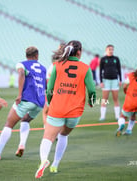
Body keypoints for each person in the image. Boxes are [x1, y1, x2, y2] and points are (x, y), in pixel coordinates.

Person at [35, 40, 96, 179]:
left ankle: (44, 160)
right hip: (75, 112)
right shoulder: (85, 68)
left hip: (57, 109)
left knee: (48, 138)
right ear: (79, 52)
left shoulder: (57, 65)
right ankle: (55, 164)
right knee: (63, 135)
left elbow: (49, 89)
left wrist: (50, 103)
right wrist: (92, 102)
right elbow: (92, 90)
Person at [0, 46, 46, 160]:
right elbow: (45, 82)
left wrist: (20, 94)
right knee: (26, 120)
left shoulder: (22, 64)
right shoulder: (43, 68)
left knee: (9, 124)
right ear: (37, 56)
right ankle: (22, 144)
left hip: (27, 99)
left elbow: (21, 73)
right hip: (40, 102)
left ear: (26, 56)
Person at [43, 42, 66, 126]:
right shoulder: (66, 65)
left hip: (53, 91)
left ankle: (47, 128)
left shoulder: (53, 66)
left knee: (46, 112)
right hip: (63, 92)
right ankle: (59, 133)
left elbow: (49, 83)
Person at [99, 44, 122, 121]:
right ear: (106, 50)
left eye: (112, 49)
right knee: (104, 99)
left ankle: (117, 116)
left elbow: (119, 70)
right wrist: (101, 81)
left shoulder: (116, 59)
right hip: (106, 81)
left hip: (115, 80)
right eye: (109, 49)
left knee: (116, 98)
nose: (111, 51)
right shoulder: (103, 59)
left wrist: (120, 80)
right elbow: (100, 71)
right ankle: (102, 116)